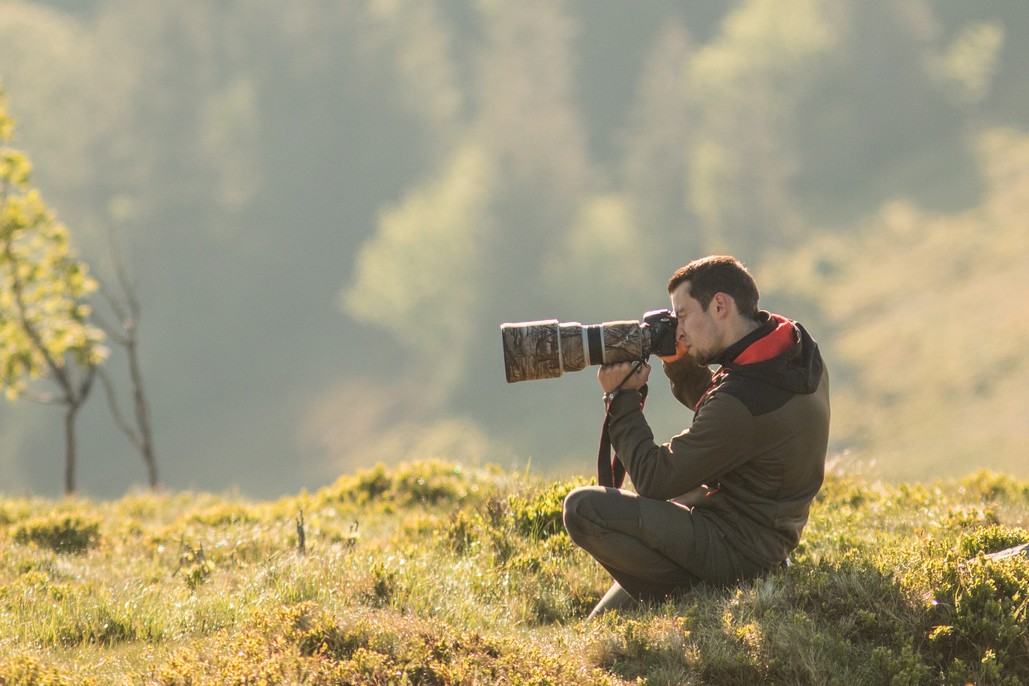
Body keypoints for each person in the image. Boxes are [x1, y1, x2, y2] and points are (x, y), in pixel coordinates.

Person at [562, 255, 830, 619]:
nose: (679, 328)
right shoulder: (793, 353)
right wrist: (677, 362)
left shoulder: (743, 401)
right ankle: (680, 592)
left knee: (583, 509)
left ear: (720, 305)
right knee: (600, 624)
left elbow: (655, 479)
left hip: (736, 552)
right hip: (764, 539)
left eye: (683, 315)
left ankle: (695, 597)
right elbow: (728, 418)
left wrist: (620, 397)